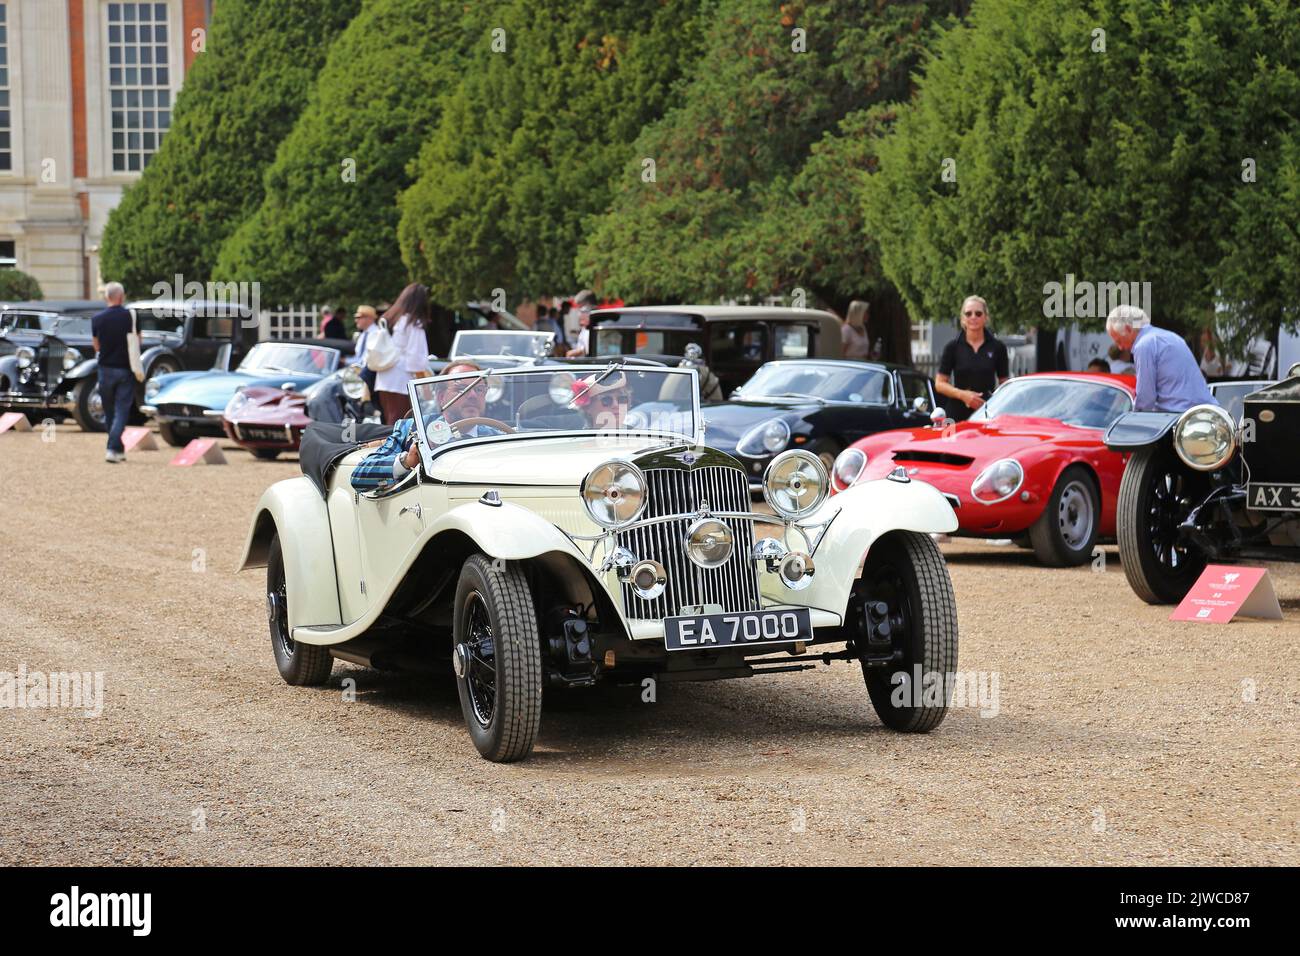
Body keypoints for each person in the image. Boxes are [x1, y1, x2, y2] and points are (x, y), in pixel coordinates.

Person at [350, 361, 499, 490]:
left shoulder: (496, 437)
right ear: (441, 397)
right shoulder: (412, 429)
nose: (473, 395)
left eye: (479, 389)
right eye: (461, 389)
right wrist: (406, 461)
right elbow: (360, 476)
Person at [1106, 305, 1216, 412]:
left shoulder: (1144, 345)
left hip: (1180, 417)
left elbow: (1145, 399)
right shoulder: (1170, 336)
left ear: (1128, 329)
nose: (1120, 347)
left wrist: (1132, 418)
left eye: (1118, 341)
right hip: (1206, 412)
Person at [935, 295, 1009, 422]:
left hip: (987, 412)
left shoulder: (998, 347)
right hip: (956, 413)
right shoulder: (952, 347)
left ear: (986, 317)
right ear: (963, 319)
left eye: (978, 313)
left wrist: (995, 402)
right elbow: (939, 384)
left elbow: (1004, 384)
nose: (973, 317)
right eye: (968, 314)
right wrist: (963, 395)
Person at [91, 281, 138, 463]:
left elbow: (96, 347)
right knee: (122, 410)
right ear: (122, 296)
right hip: (125, 368)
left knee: (109, 411)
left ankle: (116, 448)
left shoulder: (97, 319)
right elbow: (137, 341)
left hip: (105, 368)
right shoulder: (130, 317)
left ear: (106, 297)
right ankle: (114, 447)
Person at [375, 283, 432, 424]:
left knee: (390, 420)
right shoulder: (413, 322)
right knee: (400, 424)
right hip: (401, 378)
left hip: (384, 376)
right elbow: (416, 360)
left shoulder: (392, 318)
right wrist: (426, 389)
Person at [351, 305, 379, 393]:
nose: (356, 320)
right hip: (359, 375)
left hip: (368, 378)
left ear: (369, 318)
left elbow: (367, 360)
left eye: (359, 317)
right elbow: (358, 357)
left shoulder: (377, 334)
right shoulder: (363, 334)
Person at [565, 289, 598, 357]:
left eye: (581, 308)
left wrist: (572, 353)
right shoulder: (585, 327)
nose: (579, 313)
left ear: (589, 306)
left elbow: (587, 349)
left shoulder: (594, 326)